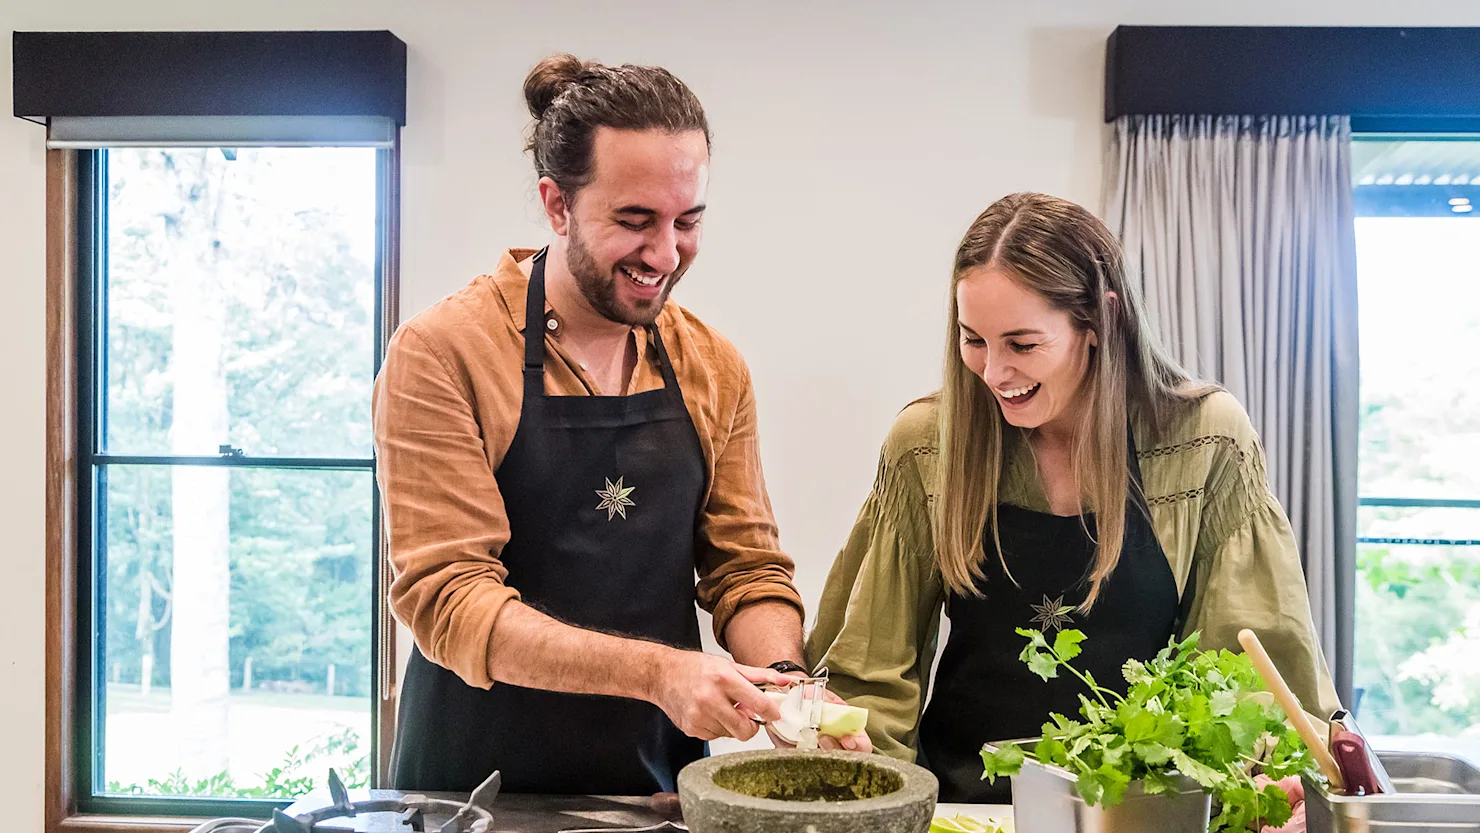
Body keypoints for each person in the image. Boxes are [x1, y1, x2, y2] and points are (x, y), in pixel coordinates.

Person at [373, 54, 824, 795]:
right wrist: (659, 671)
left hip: (654, 787)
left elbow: (746, 567)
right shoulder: (444, 352)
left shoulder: (713, 364)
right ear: (557, 206)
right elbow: (451, 598)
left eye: (688, 222)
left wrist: (785, 682)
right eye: (635, 221)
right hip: (476, 791)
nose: (666, 253)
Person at [806, 192, 1341, 804]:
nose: (993, 372)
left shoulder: (1203, 438)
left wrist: (1276, 784)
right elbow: (871, 674)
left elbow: (1244, 674)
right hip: (961, 807)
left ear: (1099, 321)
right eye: (973, 339)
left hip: (1143, 814)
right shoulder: (927, 443)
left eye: (1022, 344)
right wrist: (870, 793)